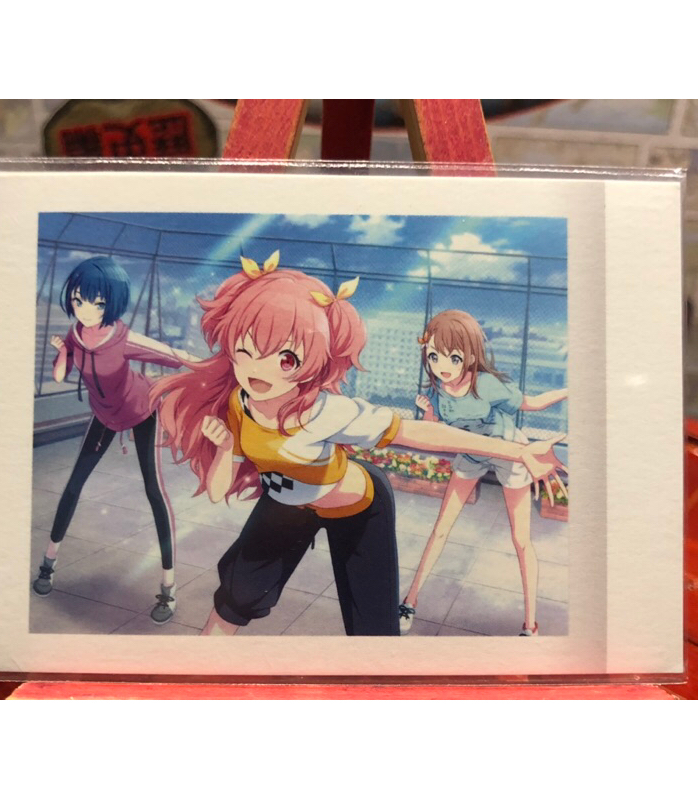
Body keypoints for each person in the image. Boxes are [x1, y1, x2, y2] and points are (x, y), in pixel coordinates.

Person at [150, 252, 567, 637]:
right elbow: (218, 491)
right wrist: (226, 449)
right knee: (236, 595)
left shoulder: (325, 411)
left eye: (286, 359)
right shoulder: (239, 404)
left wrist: (517, 451)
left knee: (372, 631)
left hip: (357, 507)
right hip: (287, 502)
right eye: (245, 349)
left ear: (314, 361)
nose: (259, 370)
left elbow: (415, 433)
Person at [32, 256, 198, 624]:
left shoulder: (123, 338)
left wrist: (216, 369)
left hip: (141, 409)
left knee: (154, 490)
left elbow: (174, 356)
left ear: (112, 303)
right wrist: (64, 351)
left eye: (97, 302)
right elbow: (60, 375)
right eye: (78, 300)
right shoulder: (75, 335)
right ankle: (48, 565)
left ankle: (168, 589)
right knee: (74, 484)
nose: (86, 310)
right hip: (104, 416)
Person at [398, 309, 568, 636]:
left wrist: (572, 390)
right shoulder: (437, 391)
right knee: (441, 529)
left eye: (453, 357)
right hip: (471, 454)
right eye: (433, 356)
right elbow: (436, 429)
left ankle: (530, 626)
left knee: (521, 539)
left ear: (472, 357)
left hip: (509, 451)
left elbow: (532, 403)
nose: (442, 365)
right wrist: (429, 412)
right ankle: (410, 601)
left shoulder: (486, 384)